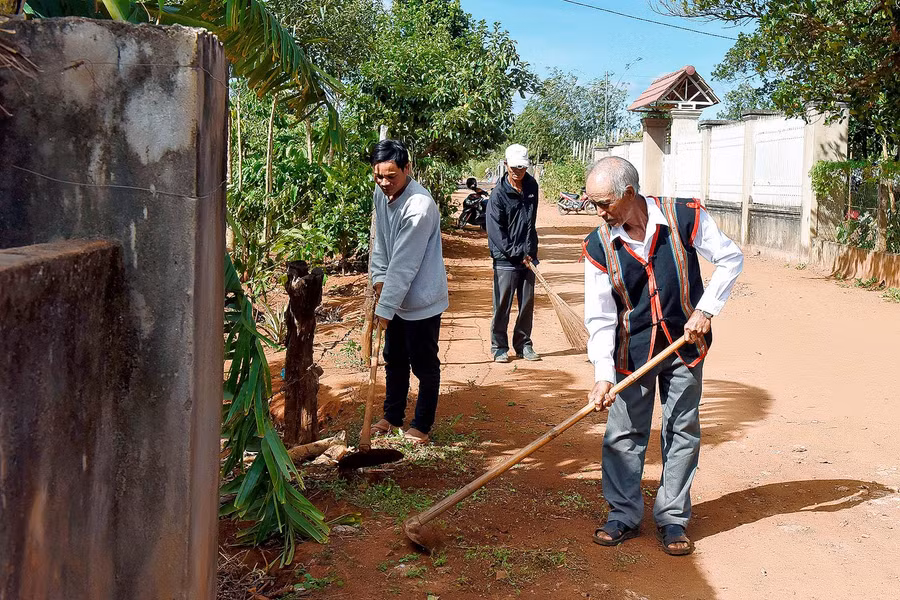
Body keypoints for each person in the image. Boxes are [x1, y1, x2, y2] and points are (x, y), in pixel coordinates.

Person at [582, 156, 743, 555]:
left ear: (630, 194)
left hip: (685, 346)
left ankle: (673, 517)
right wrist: (604, 374)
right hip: (630, 353)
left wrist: (705, 311)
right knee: (623, 433)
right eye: (594, 204)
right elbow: (600, 315)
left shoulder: (683, 215)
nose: (599, 213)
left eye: (604, 204)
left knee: (682, 428)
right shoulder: (598, 244)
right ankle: (622, 513)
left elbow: (730, 258)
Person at [369, 139, 449, 444]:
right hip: (393, 294)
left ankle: (422, 425)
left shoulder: (419, 206)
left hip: (421, 300)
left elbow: (404, 266)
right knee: (394, 358)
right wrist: (378, 280)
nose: (385, 183)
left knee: (424, 363)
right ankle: (392, 416)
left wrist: (383, 309)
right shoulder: (381, 193)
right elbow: (382, 243)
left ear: (407, 168)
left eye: (392, 176)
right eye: (379, 176)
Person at [486, 143, 540, 363]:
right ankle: (499, 346)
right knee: (502, 303)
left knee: (527, 303)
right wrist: (517, 252)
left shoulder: (532, 186)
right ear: (506, 164)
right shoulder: (498, 195)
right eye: (514, 167)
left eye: (522, 167)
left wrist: (529, 251)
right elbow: (496, 233)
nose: (518, 171)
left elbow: (530, 223)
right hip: (506, 259)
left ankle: (524, 344)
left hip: (528, 257)